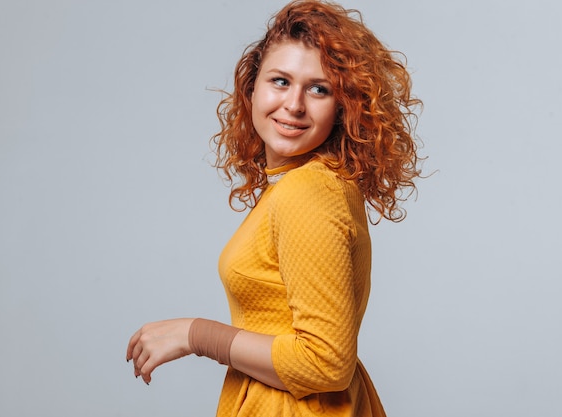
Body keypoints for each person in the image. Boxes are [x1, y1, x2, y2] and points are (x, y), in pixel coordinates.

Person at [126, 1, 422, 415]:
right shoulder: (301, 184)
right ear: (252, 89)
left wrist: (197, 335)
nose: (294, 105)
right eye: (280, 81)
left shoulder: (309, 193)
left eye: (319, 88)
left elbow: (325, 363)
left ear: (343, 107)